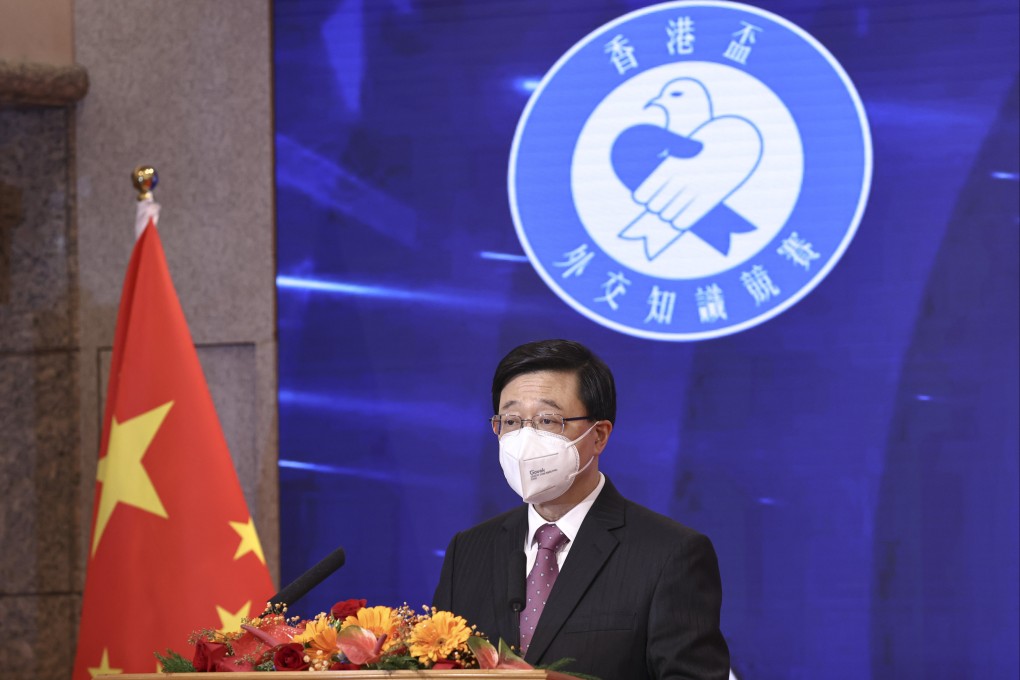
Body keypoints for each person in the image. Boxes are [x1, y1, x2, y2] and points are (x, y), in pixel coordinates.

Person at [433, 339, 730, 679]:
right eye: (511, 421)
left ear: (599, 435)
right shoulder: (468, 551)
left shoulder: (670, 554)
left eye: (548, 420)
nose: (525, 439)